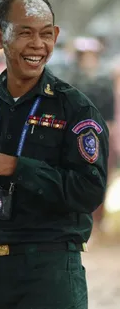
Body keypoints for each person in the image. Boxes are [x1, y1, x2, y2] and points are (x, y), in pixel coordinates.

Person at [0, 0, 108, 309]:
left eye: (46, 34)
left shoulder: (74, 108)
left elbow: (90, 190)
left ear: (56, 36)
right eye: (25, 33)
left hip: (52, 271)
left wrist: (19, 167)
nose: (38, 45)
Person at [68, 36, 115, 230]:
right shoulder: (72, 81)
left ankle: (97, 221)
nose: (88, 59)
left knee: (100, 177)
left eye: (91, 55)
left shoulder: (104, 81)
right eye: (84, 55)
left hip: (101, 135)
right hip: (75, 136)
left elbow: (110, 111)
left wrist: (108, 134)